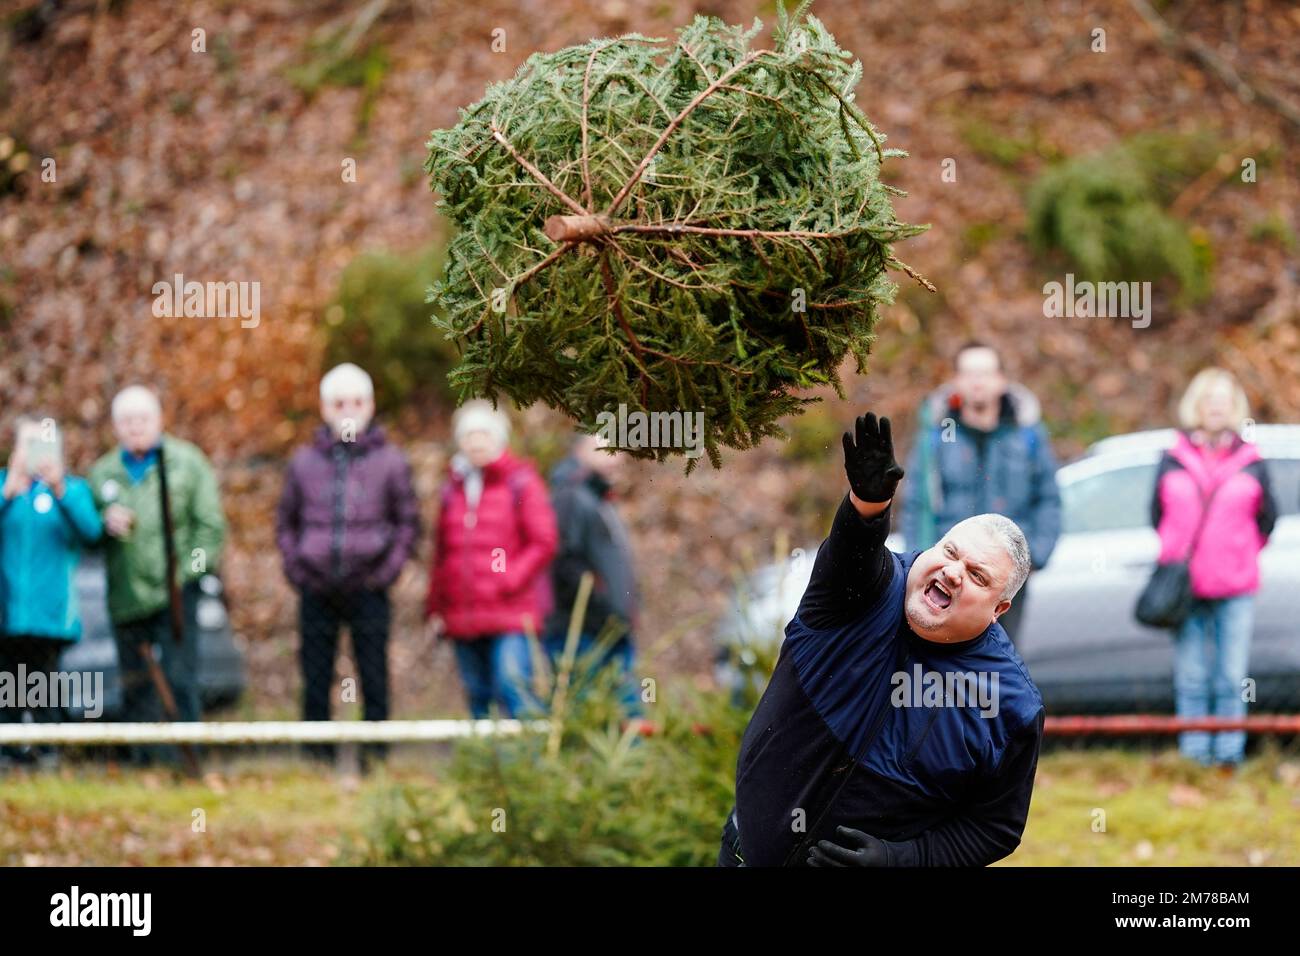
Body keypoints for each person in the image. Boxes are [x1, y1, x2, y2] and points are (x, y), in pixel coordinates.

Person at [719, 412, 1044, 867]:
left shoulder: (1009, 703)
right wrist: (868, 504)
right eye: (950, 552)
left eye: (976, 575)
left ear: (999, 610)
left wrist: (902, 859)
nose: (953, 571)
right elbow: (854, 553)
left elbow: (995, 828)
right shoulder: (865, 592)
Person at [275, 363, 420, 765]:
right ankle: (316, 759)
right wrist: (298, 569)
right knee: (315, 675)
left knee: (373, 675)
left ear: (370, 405)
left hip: (369, 588)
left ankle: (375, 760)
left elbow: (407, 523)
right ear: (325, 408)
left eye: (356, 402)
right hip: (316, 587)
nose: (348, 410)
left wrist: (385, 573)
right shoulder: (304, 462)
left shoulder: (391, 462)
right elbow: (286, 522)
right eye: (339, 403)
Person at [89, 386, 226, 765]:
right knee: (136, 683)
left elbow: (209, 529)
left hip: (177, 594)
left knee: (179, 678)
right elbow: (84, 531)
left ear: (159, 420)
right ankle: (142, 764)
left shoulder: (187, 463)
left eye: (142, 419)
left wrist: (190, 575)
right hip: (126, 594)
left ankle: (184, 762)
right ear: (115, 426)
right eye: (126, 421)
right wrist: (103, 525)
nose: (135, 427)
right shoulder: (102, 474)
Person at [1151, 368, 1276, 770]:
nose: (1217, 407)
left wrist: (1239, 553)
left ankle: (1227, 758)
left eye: (1224, 399)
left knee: (1230, 677)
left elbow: (1267, 519)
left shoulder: (1252, 462)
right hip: (1185, 588)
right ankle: (1194, 756)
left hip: (1235, 586)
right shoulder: (1172, 459)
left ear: (1234, 407)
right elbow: (1156, 514)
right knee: (1191, 676)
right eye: (1210, 399)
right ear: (1197, 406)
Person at [901, 341, 1060, 643]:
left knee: (1001, 660)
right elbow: (917, 504)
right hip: (948, 575)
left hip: (1006, 575)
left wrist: (1036, 555)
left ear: (1001, 380)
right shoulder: (937, 437)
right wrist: (919, 560)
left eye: (985, 373)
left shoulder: (1027, 435)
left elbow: (1048, 498)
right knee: (944, 660)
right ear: (957, 381)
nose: (977, 381)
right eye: (969, 373)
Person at [426, 401, 557, 719]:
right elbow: (443, 553)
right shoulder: (453, 489)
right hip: (463, 613)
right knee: (477, 694)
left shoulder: (520, 482)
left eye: (482, 433)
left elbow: (543, 540)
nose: (475, 441)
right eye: (468, 434)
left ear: (498, 437)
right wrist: (436, 607)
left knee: (512, 686)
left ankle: (528, 764)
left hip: (510, 611)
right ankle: (485, 766)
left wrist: (508, 577)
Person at [0, 416, 102, 768]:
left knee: (44, 684)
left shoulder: (71, 491)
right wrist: (7, 492)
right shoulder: (5, 487)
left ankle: (48, 753)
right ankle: (10, 755)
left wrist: (61, 490)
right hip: (7, 610)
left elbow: (92, 532)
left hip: (51, 613)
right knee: (7, 685)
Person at [544, 433, 641, 716]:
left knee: (626, 708)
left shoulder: (598, 497)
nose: (615, 456)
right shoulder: (571, 495)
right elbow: (566, 561)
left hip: (612, 626)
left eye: (617, 448)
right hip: (583, 630)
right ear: (579, 450)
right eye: (603, 448)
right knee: (581, 709)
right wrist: (601, 603)